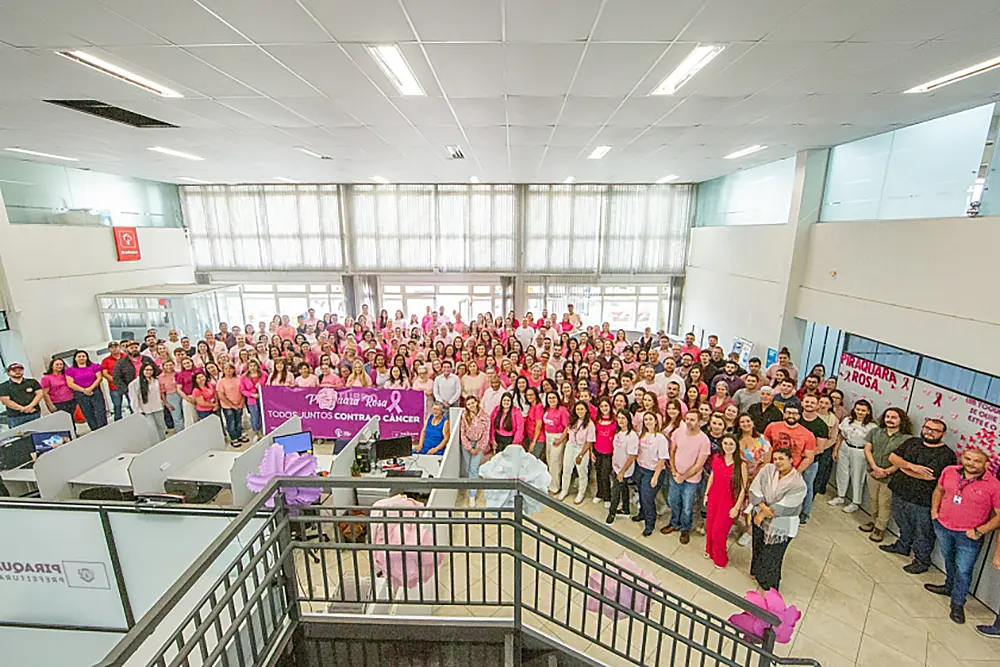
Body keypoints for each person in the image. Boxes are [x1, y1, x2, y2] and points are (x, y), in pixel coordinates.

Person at [925, 449, 1000, 624]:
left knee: (964, 570)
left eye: (977, 461)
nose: (971, 463)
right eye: (968, 458)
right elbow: (939, 490)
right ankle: (948, 586)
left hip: (968, 535)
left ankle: (958, 603)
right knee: (949, 559)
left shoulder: (994, 485)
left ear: (986, 464)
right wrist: (934, 511)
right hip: (943, 526)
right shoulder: (949, 471)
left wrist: (980, 531)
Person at [881, 418, 956, 575]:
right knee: (902, 522)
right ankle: (903, 546)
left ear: (943, 434)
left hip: (922, 500)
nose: (930, 432)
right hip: (900, 491)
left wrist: (903, 467)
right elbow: (892, 458)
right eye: (927, 428)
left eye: (935, 430)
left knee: (923, 532)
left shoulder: (947, 454)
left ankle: (922, 561)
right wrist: (911, 466)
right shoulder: (913, 442)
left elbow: (929, 476)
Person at [748, 447, 807, 591]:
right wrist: (762, 507)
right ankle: (756, 572)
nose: (778, 462)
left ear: (791, 460)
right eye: (775, 459)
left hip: (780, 526)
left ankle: (769, 586)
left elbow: (788, 506)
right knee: (758, 547)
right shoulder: (768, 469)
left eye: (781, 459)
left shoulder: (798, 483)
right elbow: (756, 488)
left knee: (772, 556)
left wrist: (763, 513)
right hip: (760, 516)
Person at [763, 400, 816, 521]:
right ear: (783, 413)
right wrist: (765, 465)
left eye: (794, 413)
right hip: (771, 470)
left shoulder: (808, 435)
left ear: (800, 415)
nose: (791, 416)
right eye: (788, 413)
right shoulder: (772, 427)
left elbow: (809, 457)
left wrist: (796, 472)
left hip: (791, 472)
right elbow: (765, 445)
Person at [663, 411, 711, 543]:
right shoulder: (678, 432)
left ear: (699, 422)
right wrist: (673, 470)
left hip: (691, 480)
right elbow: (672, 451)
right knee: (673, 501)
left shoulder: (704, 440)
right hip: (675, 474)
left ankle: (685, 529)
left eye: (693, 419)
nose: (689, 422)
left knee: (687, 506)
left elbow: (699, 465)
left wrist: (683, 477)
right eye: (687, 419)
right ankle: (674, 523)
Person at [704, 434, 747, 569]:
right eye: (726, 443)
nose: (728, 447)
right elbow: (712, 477)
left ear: (736, 446)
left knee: (719, 532)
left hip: (728, 501)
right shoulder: (717, 459)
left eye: (731, 444)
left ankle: (720, 558)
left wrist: (737, 507)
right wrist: (706, 494)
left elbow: (743, 487)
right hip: (713, 497)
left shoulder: (741, 465)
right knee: (710, 527)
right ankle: (710, 550)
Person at [828, 399, 875, 514]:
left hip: (859, 451)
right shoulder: (847, 420)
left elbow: (872, 444)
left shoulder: (872, 427)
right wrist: (836, 450)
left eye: (863, 410)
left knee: (857, 476)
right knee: (841, 472)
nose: (860, 412)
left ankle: (855, 502)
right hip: (845, 446)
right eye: (858, 409)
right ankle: (840, 496)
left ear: (868, 412)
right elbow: (841, 436)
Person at [634, 411, 670, 537]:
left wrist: (655, 476)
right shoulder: (641, 435)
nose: (648, 422)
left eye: (651, 419)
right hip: (640, 469)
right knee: (641, 494)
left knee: (647, 498)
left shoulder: (660, 438)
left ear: (656, 421)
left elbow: (662, 459)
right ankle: (642, 514)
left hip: (653, 471)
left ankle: (650, 524)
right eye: (646, 419)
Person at [795, 394, 828, 523]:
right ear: (802, 403)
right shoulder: (796, 419)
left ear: (817, 406)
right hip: (792, 460)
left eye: (812, 403)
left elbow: (820, 448)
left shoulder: (821, 425)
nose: (809, 404)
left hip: (811, 462)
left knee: (807, 486)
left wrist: (804, 455)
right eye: (807, 402)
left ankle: (805, 512)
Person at [560, 401, 596, 504]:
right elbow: (567, 431)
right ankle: (564, 490)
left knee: (582, 472)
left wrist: (581, 455)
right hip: (570, 446)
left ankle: (581, 493)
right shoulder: (572, 421)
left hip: (582, 448)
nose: (580, 411)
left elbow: (589, 442)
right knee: (566, 470)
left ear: (586, 410)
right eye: (578, 409)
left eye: (582, 409)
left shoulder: (590, 424)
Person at [606, 409, 638, 524]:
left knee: (615, 490)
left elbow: (632, 456)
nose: (620, 420)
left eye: (623, 418)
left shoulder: (632, 436)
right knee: (623, 487)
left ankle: (612, 512)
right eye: (619, 418)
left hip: (624, 469)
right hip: (616, 466)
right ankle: (626, 509)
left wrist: (622, 471)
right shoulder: (618, 432)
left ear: (628, 420)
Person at [459, 396, 491, 504]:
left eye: (473, 403)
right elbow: (462, 433)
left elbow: (486, 434)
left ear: (477, 403)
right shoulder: (464, 416)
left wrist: (478, 447)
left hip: (478, 445)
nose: (471, 405)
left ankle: (472, 495)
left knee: (474, 468)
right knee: (468, 467)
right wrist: (469, 447)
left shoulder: (485, 416)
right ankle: (470, 485)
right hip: (467, 444)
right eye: (469, 404)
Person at [65, 350, 108, 431]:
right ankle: (95, 430)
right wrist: (84, 390)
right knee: (88, 413)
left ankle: (104, 429)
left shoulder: (94, 366)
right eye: (79, 356)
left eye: (83, 356)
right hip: (80, 394)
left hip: (95, 391)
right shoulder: (70, 370)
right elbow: (70, 383)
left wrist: (90, 388)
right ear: (75, 358)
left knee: (100, 411)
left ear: (87, 357)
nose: (81, 358)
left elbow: (99, 378)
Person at [128, 362, 167, 443]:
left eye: (151, 370)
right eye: (147, 370)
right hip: (145, 410)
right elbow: (134, 399)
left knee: (161, 426)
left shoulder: (156, 380)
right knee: (151, 429)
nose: (149, 372)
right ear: (142, 370)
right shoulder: (134, 383)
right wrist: (138, 410)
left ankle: (163, 442)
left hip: (158, 407)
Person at [541, 391, 570, 494]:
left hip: (557, 437)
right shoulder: (547, 409)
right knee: (549, 461)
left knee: (555, 463)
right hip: (548, 437)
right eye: (549, 398)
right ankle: (550, 482)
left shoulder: (562, 410)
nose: (552, 400)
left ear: (558, 399)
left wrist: (561, 439)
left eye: (554, 398)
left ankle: (555, 487)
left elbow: (567, 427)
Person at [0, 362, 43, 428]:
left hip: (34, 413)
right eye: (14, 371)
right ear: (8, 373)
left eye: (20, 370)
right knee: (20, 437)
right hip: (16, 417)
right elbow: (5, 401)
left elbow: (40, 394)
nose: (17, 372)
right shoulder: (3, 386)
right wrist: (22, 409)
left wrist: (30, 406)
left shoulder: (32, 382)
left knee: (39, 432)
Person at [217, 363, 245, 445]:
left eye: (230, 368)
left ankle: (239, 435)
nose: (228, 371)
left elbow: (243, 391)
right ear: (223, 371)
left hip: (239, 403)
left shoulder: (239, 378)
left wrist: (241, 403)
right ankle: (234, 438)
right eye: (226, 369)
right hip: (227, 406)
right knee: (231, 422)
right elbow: (221, 396)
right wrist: (232, 405)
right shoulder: (221, 381)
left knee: (239, 421)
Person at [101, 341, 128, 421]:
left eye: (116, 347)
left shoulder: (126, 357)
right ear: (109, 349)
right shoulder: (105, 360)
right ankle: (118, 421)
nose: (114, 349)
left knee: (132, 403)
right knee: (117, 405)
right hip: (114, 386)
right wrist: (116, 381)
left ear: (119, 347)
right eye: (112, 347)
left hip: (127, 384)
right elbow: (105, 373)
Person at [240, 359, 265, 439]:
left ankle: (263, 430)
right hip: (251, 400)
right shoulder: (243, 377)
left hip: (263, 399)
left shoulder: (264, 374)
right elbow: (242, 390)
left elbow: (268, 385)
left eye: (254, 366)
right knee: (254, 416)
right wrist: (252, 395)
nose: (253, 367)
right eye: (251, 366)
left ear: (258, 366)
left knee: (262, 415)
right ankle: (256, 432)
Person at [159, 358, 183, 434]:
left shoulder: (178, 373)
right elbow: (162, 392)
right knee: (177, 417)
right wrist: (166, 404)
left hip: (182, 394)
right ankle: (181, 433)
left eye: (170, 365)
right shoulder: (161, 377)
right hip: (171, 396)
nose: (169, 367)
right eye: (167, 365)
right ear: (163, 366)